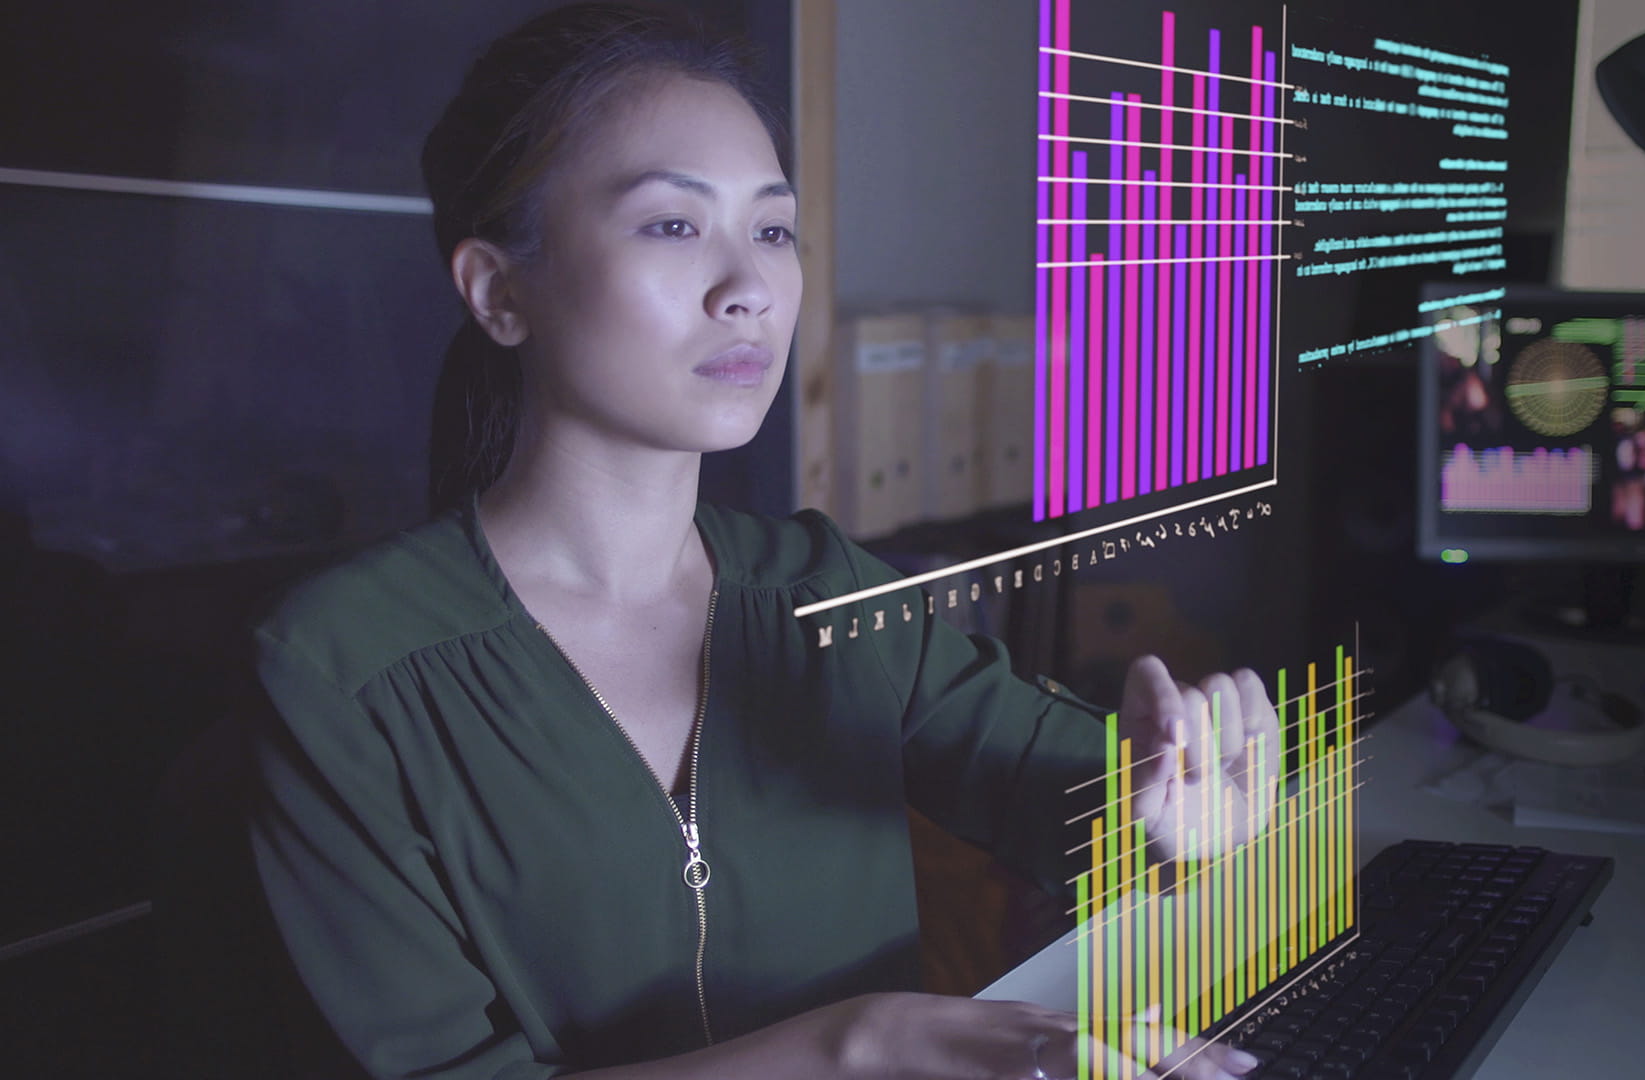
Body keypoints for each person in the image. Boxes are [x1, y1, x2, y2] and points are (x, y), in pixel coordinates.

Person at [243, 4, 1280, 1078]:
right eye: (673, 225)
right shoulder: (344, 668)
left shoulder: (830, 593)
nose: (749, 290)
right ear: (499, 290)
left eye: (773, 230)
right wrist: (856, 1045)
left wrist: (1161, 808)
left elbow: (1052, 784)